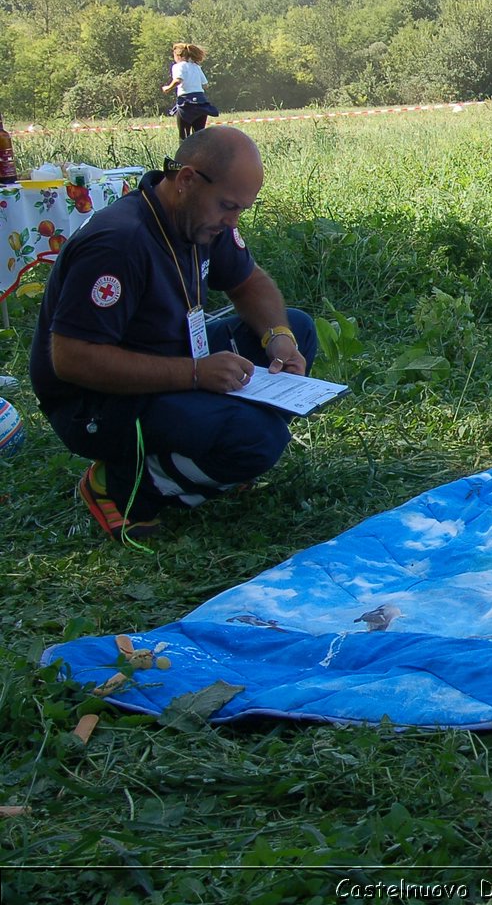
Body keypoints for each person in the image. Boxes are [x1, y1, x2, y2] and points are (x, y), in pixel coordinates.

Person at [28, 126, 318, 541]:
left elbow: (249, 282)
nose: (232, 220)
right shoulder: (118, 243)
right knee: (260, 441)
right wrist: (196, 374)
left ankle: (211, 449)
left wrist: (279, 338)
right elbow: (72, 359)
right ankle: (121, 485)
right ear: (186, 180)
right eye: (228, 206)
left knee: (299, 328)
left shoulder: (198, 220)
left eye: (241, 210)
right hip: (98, 404)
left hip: (177, 359)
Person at [161, 42, 220, 140]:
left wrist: (168, 87)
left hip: (186, 103)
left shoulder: (178, 66)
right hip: (201, 102)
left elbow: (178, 80)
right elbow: (205, 85)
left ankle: (185, 155)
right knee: (199, 136)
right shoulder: (196, 67)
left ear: (178, 55)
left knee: (184, 136)